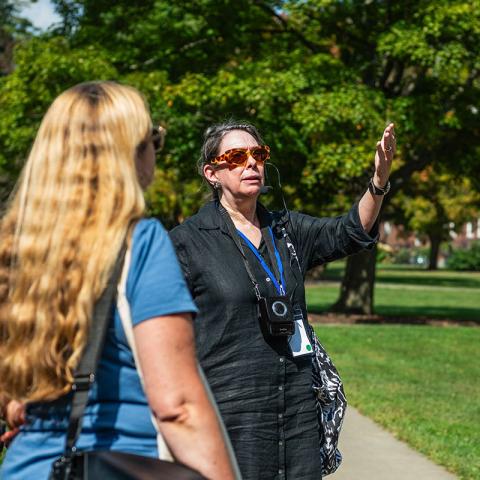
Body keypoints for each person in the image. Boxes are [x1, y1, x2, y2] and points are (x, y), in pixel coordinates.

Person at [0, 81, 235, 480]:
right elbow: (177, 406)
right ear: (131, 153)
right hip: (120, 465)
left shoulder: (15, 247)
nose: (155, 152)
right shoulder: (140, 242)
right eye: (153, 140)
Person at [170, 120, 396, 480]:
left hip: (296, 413)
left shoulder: (286, 230)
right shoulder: (186, 242)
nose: (251, 163)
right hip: (232, 414)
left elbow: (350, 230)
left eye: (258, 154)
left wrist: (379, 183)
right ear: (212, 172)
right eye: (237, 156)